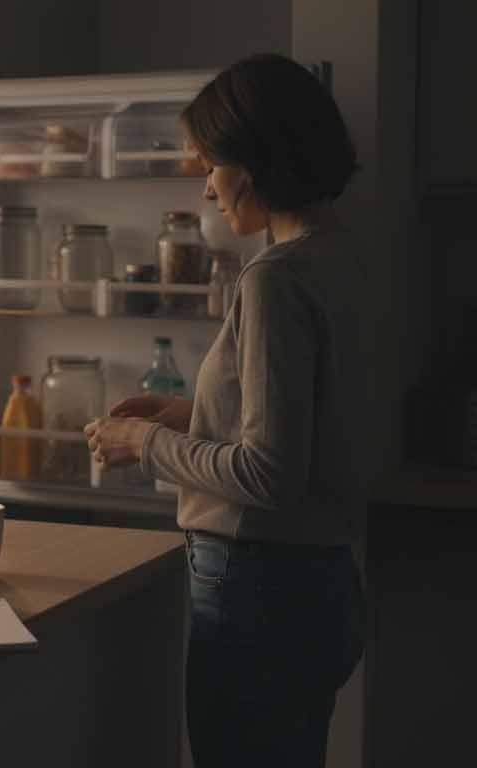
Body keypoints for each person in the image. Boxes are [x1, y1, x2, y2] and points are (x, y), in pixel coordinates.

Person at [84, 54, 369, 767]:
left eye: (211, 162)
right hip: (325, 580)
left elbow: (270, 475)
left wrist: (142, 443)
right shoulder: (344, 257)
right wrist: (189, 411)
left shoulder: (274, 279)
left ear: (255, 161)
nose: (206, 185)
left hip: (259, 586)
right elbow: (305, 416)